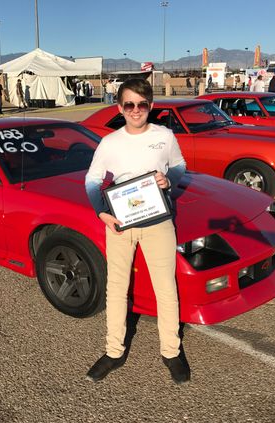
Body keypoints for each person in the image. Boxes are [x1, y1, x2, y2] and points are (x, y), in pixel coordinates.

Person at [84, 78, 189, 384]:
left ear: (150, 106)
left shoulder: (164, 135)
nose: (135, 110)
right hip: (121, 224)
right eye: (129, 104)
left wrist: (169, 180)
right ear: (120, 108)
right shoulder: (110, 143)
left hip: (158, 222)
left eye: (142, 104)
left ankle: (171, 351)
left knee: (165, 288)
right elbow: (92, 181)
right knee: (116, 288)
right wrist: (102, 213)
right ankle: (113, 352)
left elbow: (180, 166)